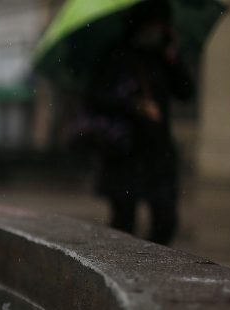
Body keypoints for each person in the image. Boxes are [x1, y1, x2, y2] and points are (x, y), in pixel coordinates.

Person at [86, 0, 193, 245]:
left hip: (158, 151)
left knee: (165, 220)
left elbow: (186, 91)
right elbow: (94, 99)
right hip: (124, 151)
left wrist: (173, 58)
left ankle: (153, 268)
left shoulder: (163, 56)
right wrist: (133, 106)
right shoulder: (116, 55)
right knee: (123, 222)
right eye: (154, 24)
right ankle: (125, 272)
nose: (158, 30)